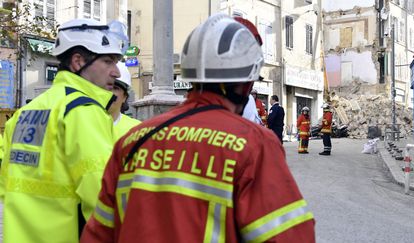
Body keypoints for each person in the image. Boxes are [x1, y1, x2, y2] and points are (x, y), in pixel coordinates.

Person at [81, 13, 315, 243]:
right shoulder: (253, 145)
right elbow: (291, 236)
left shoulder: (133, 141)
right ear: (246, 82)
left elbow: (98, 234)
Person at [0, 18, 127, 243]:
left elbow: (6, 186)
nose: (116, 72)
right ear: (78, 61)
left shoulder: (25, 113)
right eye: (108, 61)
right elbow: (101, 194)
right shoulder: (83, 110)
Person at [110, 62, 141, 140]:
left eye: (115, 88)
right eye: (102, 87)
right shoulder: (81, 123)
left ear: (124, 97)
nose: (108, 93)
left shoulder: (137, 129)